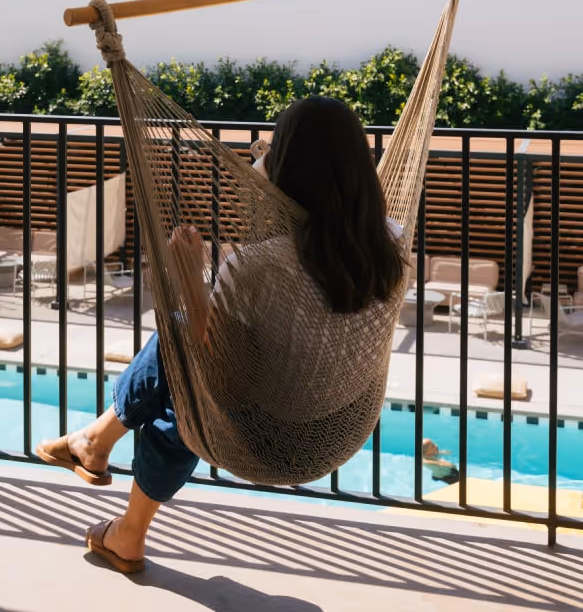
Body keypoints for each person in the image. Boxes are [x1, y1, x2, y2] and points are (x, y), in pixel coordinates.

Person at [36, 95, 407, 573]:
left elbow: (204, 349)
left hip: (267, 436)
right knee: (187, 384)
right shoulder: (393, 245)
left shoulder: (258, 267)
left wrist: (194, 275)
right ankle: (99, 454)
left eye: (273, 147)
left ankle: (105, 463)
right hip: (338, 427)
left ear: (287, 166)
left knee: (187, 386)